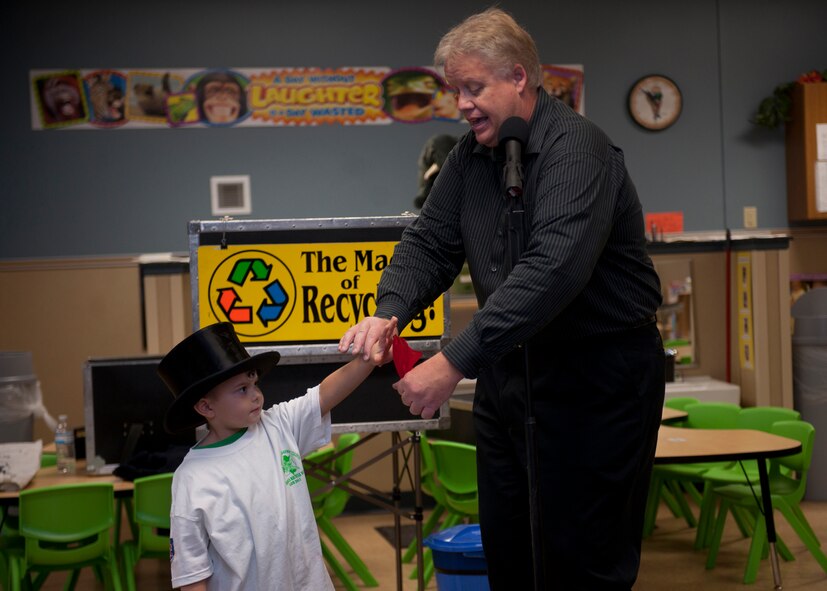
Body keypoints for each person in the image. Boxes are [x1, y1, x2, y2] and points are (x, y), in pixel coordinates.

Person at [338, 7, 664, 590]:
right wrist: (389, 311)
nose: (461, 103)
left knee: (581, 560)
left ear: (519, 78)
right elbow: (430, 242)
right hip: (514, 374)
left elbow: (554, 270)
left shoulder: (577, 149)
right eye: (453, 90)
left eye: (472, 87)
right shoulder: (470, 157)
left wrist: (454, 360)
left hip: (597, 379)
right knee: (511, 552)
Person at [158, 319, 395, 591]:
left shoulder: (277, 425)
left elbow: (324, 394)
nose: (257, 395)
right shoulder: (192, 478)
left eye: (254, 383)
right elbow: (192, 573)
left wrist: (368, 361)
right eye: (242, 390)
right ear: (206, 407)